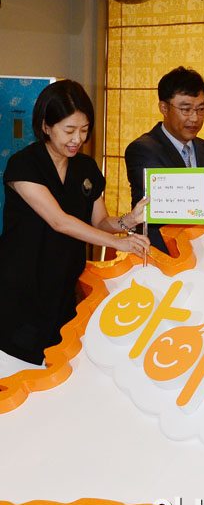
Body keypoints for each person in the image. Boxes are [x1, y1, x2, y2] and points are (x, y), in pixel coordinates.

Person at [0, 79, 150, 368]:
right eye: (69, 130)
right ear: (46, 126)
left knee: (59, 366)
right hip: (21, 287)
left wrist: (128, 220)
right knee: (18, 369)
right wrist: (118, 243)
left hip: (63, 287)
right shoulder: (24, 165)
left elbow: (100, 221)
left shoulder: (85, 168)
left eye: (84, 130)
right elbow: (59, 221)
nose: (77, 139)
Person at [125, 66, 204, 254]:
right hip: (160, 253)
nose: (195, 118)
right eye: (185, 109)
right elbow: (166, 199)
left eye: (201, 109)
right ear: (164, 108)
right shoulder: (143, 149)